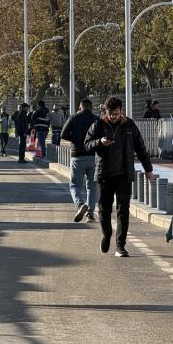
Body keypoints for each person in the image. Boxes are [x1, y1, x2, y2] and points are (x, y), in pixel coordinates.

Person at [84, 96, 154, 257]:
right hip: (104, 174)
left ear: (121, 111)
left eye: (116, 113)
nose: (113, 116)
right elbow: (87, 144)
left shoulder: (129, 125)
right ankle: (107, 234)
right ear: (106, 111)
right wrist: (99, 142)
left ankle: (120, 246)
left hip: (124, 174)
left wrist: (148, 169)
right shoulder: (98, 124)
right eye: (110, 113)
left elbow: (141, 148)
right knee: (104, 209)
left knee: (123, 210)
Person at [61, 99, 99, 223]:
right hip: (93, 156)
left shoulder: (74, 118)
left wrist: (75, 140)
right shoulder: (96, 119)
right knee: (91, 187)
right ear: (91, 107)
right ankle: (90, 214)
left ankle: (80, 204)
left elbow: (63, 134)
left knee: (75, 185)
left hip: (77, 155)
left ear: (80, 107)